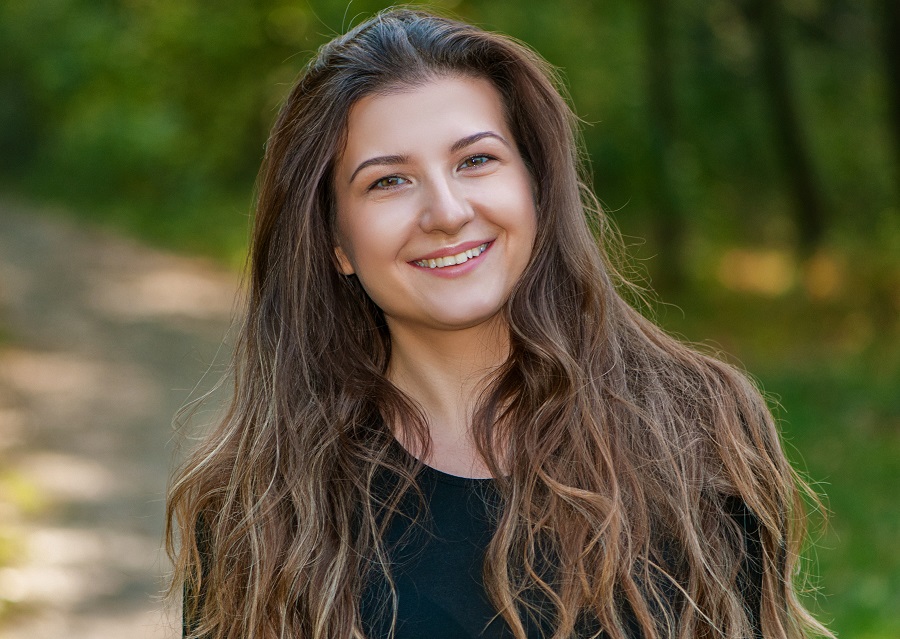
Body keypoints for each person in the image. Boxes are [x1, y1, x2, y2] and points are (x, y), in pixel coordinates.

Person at [166, 8, 830, 639]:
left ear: (535, 188)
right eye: (389, 182)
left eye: (476, 160)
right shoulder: (257, 502)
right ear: (335, 240)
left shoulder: (700, 429)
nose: (447, 211)